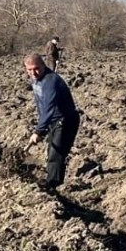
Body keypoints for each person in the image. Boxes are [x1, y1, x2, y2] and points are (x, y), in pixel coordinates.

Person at [24, 53, 80, 190]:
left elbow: (49, 107)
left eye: (36, 68)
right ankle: (52, 180)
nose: (33, 72)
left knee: (57, 153)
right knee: (51, 150)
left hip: (65, 120)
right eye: (29, 70)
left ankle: (53, 185)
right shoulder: (35, 80)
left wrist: (38, 131)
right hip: (53, 121)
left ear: (43, 65)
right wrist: (43, 126)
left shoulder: (51, 82)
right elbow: (41, 105)